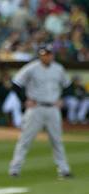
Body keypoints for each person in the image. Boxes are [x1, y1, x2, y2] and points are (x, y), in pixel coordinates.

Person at [9, 44, 72, 179]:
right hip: (36, 107)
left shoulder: (58, 69)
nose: (46, 57)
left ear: (52, 55)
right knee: (25, 140)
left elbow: (68, 86)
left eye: (48, 54)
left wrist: (62, 99)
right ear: (39, 55)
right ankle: (15, 169)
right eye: (43, 54)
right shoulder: (32, 68)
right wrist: (24, 100)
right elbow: (15, 84)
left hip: (53, 108)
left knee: (57, 140)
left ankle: (64, 170)